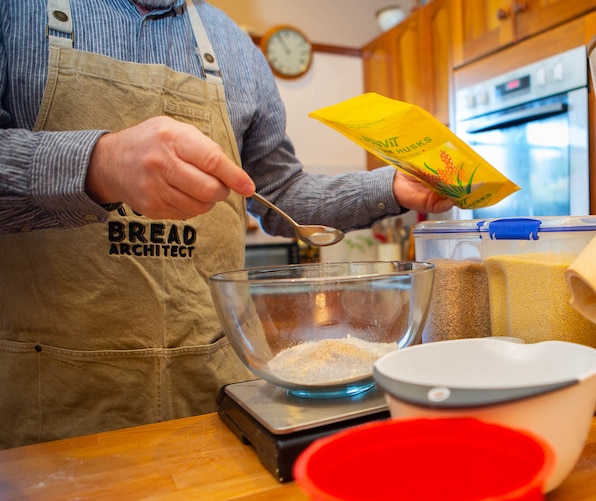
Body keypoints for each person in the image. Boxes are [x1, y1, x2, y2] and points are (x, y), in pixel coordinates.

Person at [0, 0, 454, 449]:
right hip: (52, 395)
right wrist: (99, 163)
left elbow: (279, 194)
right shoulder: (15, 12)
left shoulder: (234, 44)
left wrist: (389, 187)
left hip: (211, 380)